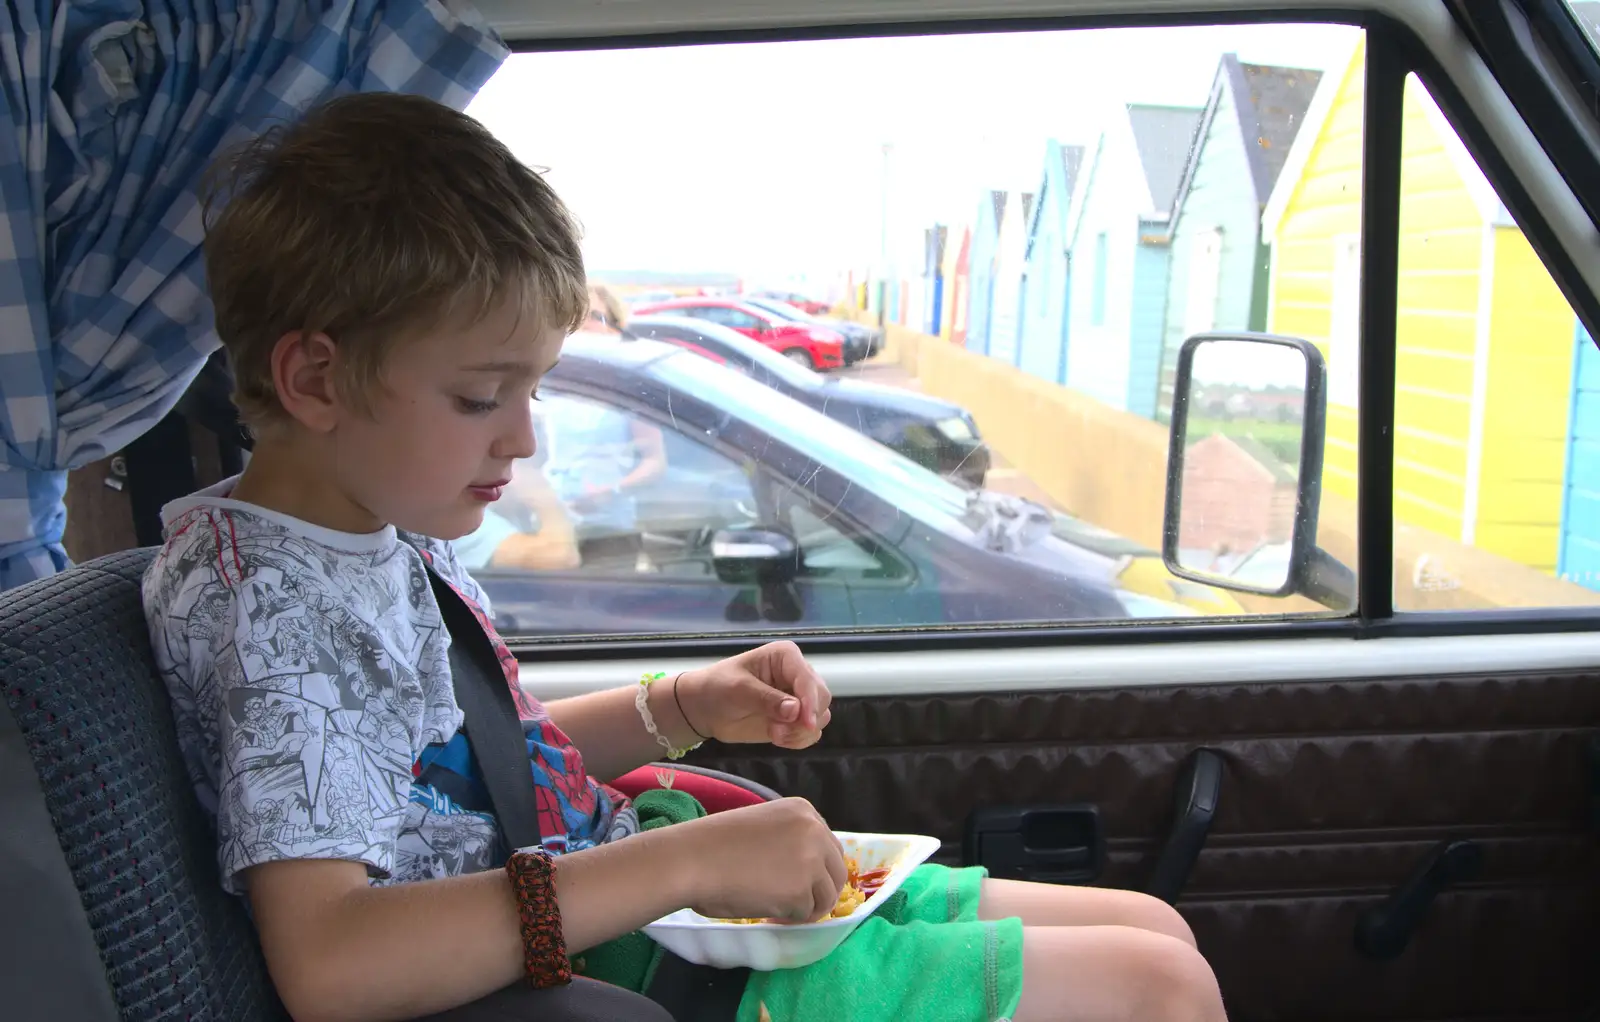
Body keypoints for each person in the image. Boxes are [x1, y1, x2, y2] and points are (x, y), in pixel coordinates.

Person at [141, 92, 1228, 1022]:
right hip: (643, 961)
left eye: (531, 391)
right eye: (481, 396)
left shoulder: (368, 535)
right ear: (315, 380)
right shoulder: (271, 609)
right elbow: (331, 958)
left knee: (1153, 924)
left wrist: (683, 703)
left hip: (649, 902)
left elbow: (463, 767)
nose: (525, 439)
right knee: (1155, 985)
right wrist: (687, 860)